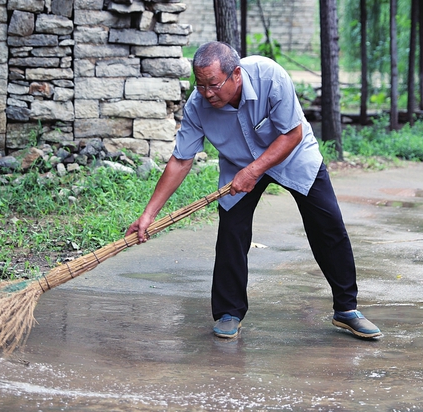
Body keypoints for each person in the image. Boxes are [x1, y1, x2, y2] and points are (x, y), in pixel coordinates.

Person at [126, 41, 382, 340]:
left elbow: (293, 133)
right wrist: (148, 215)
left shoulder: (269, 76)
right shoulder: (198, 104)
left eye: (213, 84)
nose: (207, 93)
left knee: (328, 226)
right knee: (231, 233)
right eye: (200, 85)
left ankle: (347, 309)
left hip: (293, 155)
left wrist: (255, 170)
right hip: (238, 165)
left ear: (236, 74)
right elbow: (181, 160)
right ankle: (229, 311)